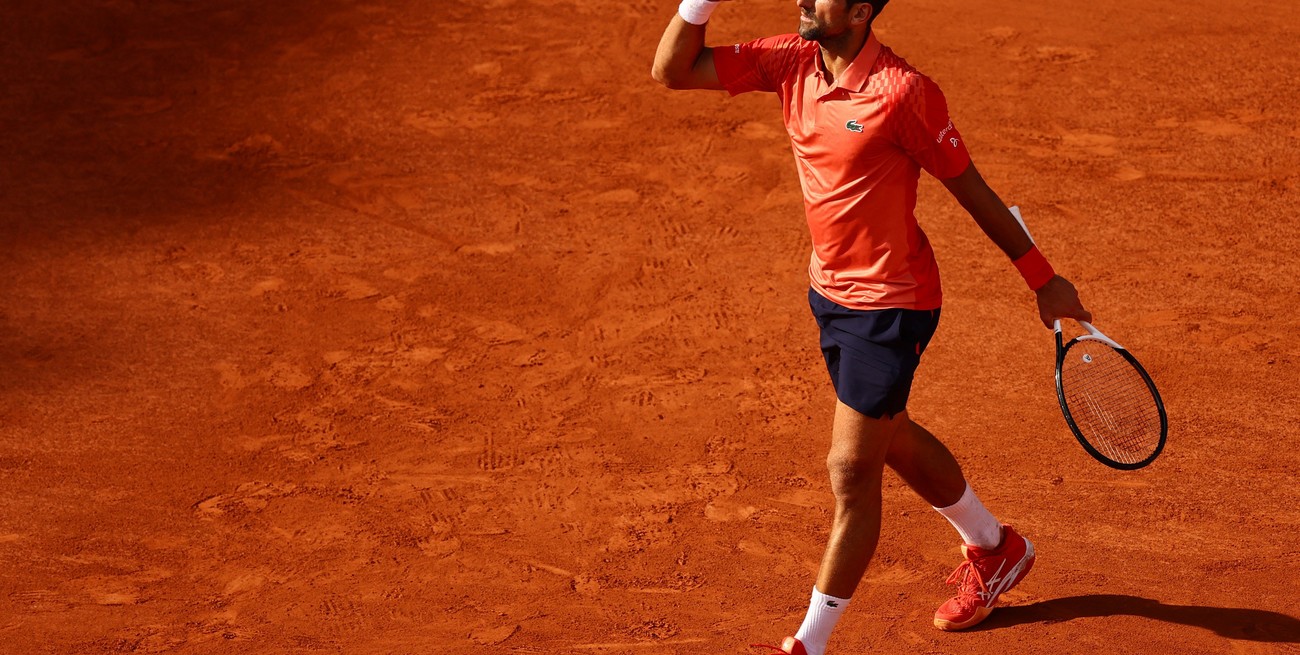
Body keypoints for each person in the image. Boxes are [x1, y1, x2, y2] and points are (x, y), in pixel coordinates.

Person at [651, 0, 1093, 653]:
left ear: (860, 10)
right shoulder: (791, 60)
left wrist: (1043, 278)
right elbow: (674, 71)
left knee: (851, 469)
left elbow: (970, 188)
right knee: (891, 436)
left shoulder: (903, 93)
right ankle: (995, 548)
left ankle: (810, 642)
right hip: (829, 295)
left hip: (894, 304)